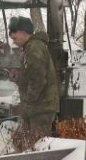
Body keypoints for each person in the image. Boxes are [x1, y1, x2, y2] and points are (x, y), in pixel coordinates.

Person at [8, 16, 59, 148]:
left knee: (37, 147)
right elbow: (33, 76)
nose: (14, 42)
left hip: (40, 108)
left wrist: (27, 103)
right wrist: (19, 77)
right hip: (36, 107)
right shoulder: (30, 48)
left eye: (15, 38)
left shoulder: (34, 48)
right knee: (23, 144)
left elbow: (38, 80)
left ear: (23, 32)